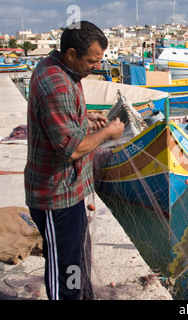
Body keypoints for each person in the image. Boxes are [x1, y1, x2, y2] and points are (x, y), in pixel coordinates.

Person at [24, 21, 124, 300]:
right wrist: (107, 132)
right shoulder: (57, 86)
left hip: (71, 192)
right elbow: (72, 149)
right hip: (55, 196)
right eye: (92, 61)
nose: (97, 66)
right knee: (65, 270)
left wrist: (84, 117)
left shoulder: (60, 68)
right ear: (71, 54)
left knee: (77, 260)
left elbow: (62, 120)